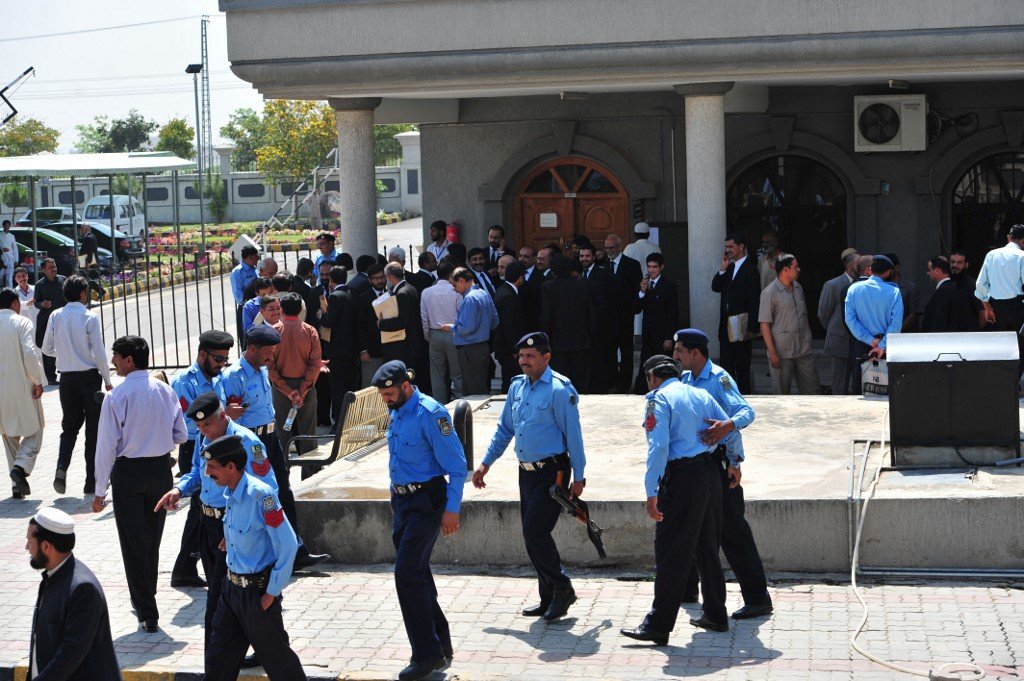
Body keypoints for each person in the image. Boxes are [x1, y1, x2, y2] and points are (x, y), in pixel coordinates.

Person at [619, 355, 739, 646]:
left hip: (682, 478)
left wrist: (651, 491)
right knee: (707, 546)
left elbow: (658, 447)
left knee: (671, 550)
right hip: (710, 473)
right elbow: (728, 426)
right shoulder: (700, 394)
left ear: (652, 377)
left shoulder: (658, 399)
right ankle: (716, 614)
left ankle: (658, 625)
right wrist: (735, 461)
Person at [474, 332, 586, 622]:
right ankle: (548, 595)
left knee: (535, 531)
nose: (524, 361)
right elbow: (505, 429)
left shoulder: (560, 390)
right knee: (531, 533)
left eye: (531, 356)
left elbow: (574, 436)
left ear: (546, 358)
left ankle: (562, 587)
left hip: (553, 470)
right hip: (526, 472)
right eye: (522, 356)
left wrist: (579, 477)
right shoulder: (517, 387)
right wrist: (486, 463)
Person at [154, 393, 278, 645]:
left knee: (221, 601)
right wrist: (179, 489)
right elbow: (196, 473)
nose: (204, 430)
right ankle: (258, 648)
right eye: (199, 426)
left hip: (233, 527)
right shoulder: (204, 439)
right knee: (222, 592)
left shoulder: (246, 442)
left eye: (207, 424)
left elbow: (267, 490)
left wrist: (239, 530)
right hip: (208, 523)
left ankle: (219, 655)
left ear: (223, 416)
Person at [373, 361, 467, 680]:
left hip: (427, 501)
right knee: (418, 573)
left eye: (389, 393)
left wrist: (452, 509)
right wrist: (396, 495)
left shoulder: (431, 413)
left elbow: (457, 466)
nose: (386, 400)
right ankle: (440, 641)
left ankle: (426, 655)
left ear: (405, 386)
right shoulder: (397, 410)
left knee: (406, 574)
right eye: (382, 395)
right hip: (403, 502)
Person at [673, 329, 772, 620]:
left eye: (679, 350)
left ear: (695, 353)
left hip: (720, 466)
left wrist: (728, 434)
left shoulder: (719, 378)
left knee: (733, 533)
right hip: (697, 466)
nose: (675, 355)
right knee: (692, 526)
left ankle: (757, 598)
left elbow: (746, 412)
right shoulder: (686, 380)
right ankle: (688, 589)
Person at [90, 335, 187, 632]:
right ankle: (147, 597)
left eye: (116, 356)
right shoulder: (165, 390)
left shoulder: (116, 397)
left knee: (134, 543)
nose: (113, 362)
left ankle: (147, 609)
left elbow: (106, 447)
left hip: (129, 474)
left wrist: (99, 490)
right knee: (151, 540)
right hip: (160, 472)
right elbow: (181, 434)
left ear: (129, 360)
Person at [217, 325, 330, 570]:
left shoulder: (262, 370)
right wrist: (229, 415)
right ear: (252, 348)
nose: (271, 357)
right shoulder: (234, 376)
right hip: (250, 444)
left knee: (283, 491)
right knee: (259, 497)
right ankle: (263, 556)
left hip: (271, 438)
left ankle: (296, 551)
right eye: (268, 352)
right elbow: (226, 417)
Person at [200, 434, 307, 681]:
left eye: (212, 467)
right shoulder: (229, 493)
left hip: (257, 595)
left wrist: (271, 593)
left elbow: (288, 545)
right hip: (231, 592)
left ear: (230, 467)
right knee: (217, 665)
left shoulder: (262, 496)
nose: (207, 473)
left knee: (282, 668)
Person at [170, 329, 235, 588]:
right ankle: (185, 566)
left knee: (199, 510)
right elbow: (188, 423)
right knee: (199, 508)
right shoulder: (184, 381)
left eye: (225, 360)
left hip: (216, 444)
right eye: (218, 359)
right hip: (193, 447)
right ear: (202, 355)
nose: (221, 364)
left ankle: (185, 567)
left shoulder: (217, 379)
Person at [26, 507, 121, 680]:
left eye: (30, 542)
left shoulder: (82, 589)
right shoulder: (53, 576)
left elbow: (71, 653)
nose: (27, 548)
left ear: (46, 546)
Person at [41, 275, 112, 496]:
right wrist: (108, 380)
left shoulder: (55, 315)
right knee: (93, 430)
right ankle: (91, 481)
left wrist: (64, 354)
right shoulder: (90, 316)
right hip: (89, 378)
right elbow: (99, 352)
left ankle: (61, 468)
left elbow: (46, 348)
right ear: (82, 293)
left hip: (67, 380)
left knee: (69, 428)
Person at [0, 287, 45, 500]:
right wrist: (37, 380)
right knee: (36, 430)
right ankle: (20, 467)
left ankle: (16, 487)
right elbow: (29, 352)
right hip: (23, 387)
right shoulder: (21, 322)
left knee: (9, 436)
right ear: (15, 303)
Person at [758, 254, 820, 395]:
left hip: (803, 348)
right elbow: (764, 324)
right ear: (785, 270)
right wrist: (773, 353)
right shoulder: (769, 293)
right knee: (782, 395)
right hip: (782, 352)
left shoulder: (798, 287)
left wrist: (808, 336)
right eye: (796, 267)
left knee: (814, 392)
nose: (799, 269)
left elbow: (804, 314)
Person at [270, 292, 322, 454]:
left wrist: (287, 390)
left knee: (282, 430)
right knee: (308, 430)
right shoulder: (310, 331)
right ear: (300, 309)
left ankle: (284, 467)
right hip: (306, 385)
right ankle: (310, 467)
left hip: (281, 388)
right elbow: (315, 364)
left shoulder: (273, 332)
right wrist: (303, 389)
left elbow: (269, 366)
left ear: (281, 309)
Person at [844, 255, 904, 390]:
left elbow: (850, 320)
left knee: (860, 389)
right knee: (887, 391)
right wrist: (881, 346)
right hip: (886, 347)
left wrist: (870, 340)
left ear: (870, 270)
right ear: (887, 273)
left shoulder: (853, 289)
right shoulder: (894, 291)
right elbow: (896, 325)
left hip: (862, 345)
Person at [712, 233, 761, 394]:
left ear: (741, 247)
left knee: (742, 368)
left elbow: (754, 301)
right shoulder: (729, 268)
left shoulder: (751, 270)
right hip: (725, 327)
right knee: (726, 368)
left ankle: (745, 397)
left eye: (731, 246)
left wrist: (752, 328)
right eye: (726, 247)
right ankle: (728, 397)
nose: (727, 250)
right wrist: (722, 269)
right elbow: (715, 287)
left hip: (741, 327)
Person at [541, 256, 596, 392]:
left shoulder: (548, 287)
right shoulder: (583, 285)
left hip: (557, 341)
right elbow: (591, 315)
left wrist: (545, 341)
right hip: (581, 339)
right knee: (581, 378)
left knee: (559, 379)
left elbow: (546, 317)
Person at [976, 224, 1024, 376]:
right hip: (1018, 307)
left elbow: (980, 284)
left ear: (1009, 238)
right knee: (1020, 348)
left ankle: (1005, 381)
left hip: (997, 308)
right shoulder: (1022, 256)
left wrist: (987, 308)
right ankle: (1017, 382)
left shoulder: (992, 255)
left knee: (1003, 348)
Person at [447, 266, 499, 395]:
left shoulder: (470, 299)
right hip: (482, 347)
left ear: (461, 281)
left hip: (470, 350)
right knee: (479, 387)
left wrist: (452, 327)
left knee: (474, 391)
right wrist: (482, 330)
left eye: (454, 285)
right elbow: (495, 321)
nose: (454, 289)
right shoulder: (483, 293)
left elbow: (466, 328)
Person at [603, 234, 644, 393]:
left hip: (625, 316)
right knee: (609, 352)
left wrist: (633, 308)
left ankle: (625, 384)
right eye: (606, 248)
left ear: (619, 247)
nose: (609, 251)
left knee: (626, 351)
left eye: (612, 248)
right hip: (607, 318)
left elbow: (636, 289)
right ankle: (612, 382)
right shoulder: (604, 264)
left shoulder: (632, 265)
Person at [322, 266, 361, 427]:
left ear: (331, 280)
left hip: (337, 350)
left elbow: (329, 321)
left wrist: (321, 315)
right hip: (352, 348)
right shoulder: (353, 293)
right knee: (351, 384)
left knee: (338, 387)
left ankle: (339, 421)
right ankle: (351, 418)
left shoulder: (335, 297)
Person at [635, 253, 679, 394]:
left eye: (654, 267)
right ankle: (642, 392)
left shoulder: (668, 286)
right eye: (649, 267)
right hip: (647, 335)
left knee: (663, 367)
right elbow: (636, 309)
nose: (651, 270)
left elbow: (673, 314)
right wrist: (642, 292)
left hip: (662, 336)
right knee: (645, 365)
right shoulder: (644, 285)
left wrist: (669, 337)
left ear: (661, 267)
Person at [420, 259, 463, 403]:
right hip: (453, 333)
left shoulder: (426, 292)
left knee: (437, 375)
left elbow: (424, 317)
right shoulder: (456, 291)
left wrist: (428, 335)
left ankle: (440, 404)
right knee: (457, 373)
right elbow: (461, 314)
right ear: (451, 274)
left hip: (434, 334)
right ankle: (461, 403)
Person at [818, 248, 859, 395]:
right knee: (839, 386)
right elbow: (824, 314)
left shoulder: (863, 284)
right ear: (849, 266)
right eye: (858, 263)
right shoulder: (833, 285)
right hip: (840, 342)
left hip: (859, 343)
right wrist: (836, 332)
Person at [579, 243, 617, 392]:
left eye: (587, 256)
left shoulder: (602, 274)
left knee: (600, 358)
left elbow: (607, 301)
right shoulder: (578, 273)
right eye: (582, 256)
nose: (584, 259)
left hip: (599, 325)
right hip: (584, 327)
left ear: (594, 257)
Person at [379, 263, 426, 378]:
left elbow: (402, 321)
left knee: (407, 377)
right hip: (412, 342)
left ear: (389, 276)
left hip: (406, 345)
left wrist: (382, 323)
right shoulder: (410, 288)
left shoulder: (402, 293)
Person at [493, 261, 526, 392]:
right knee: (511, 382)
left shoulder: (502, 290)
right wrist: (515, 349)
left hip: (504, 347)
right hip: (509, 350)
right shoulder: (509, 296)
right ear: (520, 277)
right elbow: (509, 325)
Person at [33, 259, 66, 385]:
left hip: (62, 321)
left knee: (64, 346)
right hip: (46, 322)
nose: (54, 269)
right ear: (44, 270)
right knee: (47, 348)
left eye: (54, 266)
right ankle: (51, 378)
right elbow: (36, 302)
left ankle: (65, 371)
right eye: (50, 267)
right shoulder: (39, 285)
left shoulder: (63, 280)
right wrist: (42, 304)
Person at [357, 264, 388, 387]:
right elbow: (360, 326)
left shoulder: (391, 294)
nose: (380, 281)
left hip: (389, 349)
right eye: (376, 278)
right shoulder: (363, 298)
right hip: (371, 351)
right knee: (371, 385)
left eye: (382, 277)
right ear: (370, 280)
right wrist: (363, 350)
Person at [949, 250, 985, 330]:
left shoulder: (973, 285)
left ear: (966, 265)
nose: (955, 265)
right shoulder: (947, 283)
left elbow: (983, 313)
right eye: (952, 262)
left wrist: (975, 332)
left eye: (959, 263)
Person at [231, 245, 260, 343]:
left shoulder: (256, 269)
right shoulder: (237, 272)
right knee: (246, 339)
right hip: (245, 308)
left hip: (259, 306)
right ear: (250, 257)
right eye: (256, 256)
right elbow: (238, 296)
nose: (258, 258)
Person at [0, 219, 15, 288]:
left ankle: (10, 291)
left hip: (10, 259)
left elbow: (15, 249)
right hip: (1, 260)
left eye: (8, 226)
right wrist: (2, 250)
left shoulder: (12, 236)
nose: (7, 227)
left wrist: (16, 259)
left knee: (9, 279)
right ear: (3, 226)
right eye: (5, 226)